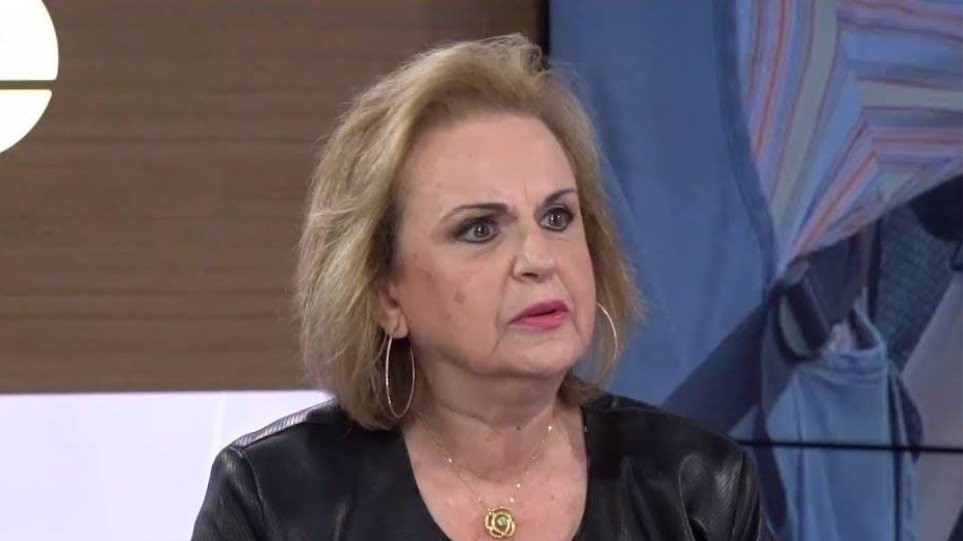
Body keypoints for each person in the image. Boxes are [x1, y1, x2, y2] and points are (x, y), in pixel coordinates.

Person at [192, 34, 772, 541]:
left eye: (557, 217)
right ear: (386, 294)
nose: (539, 260)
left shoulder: (699, 489)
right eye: (480, 229)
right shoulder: (274, 500)